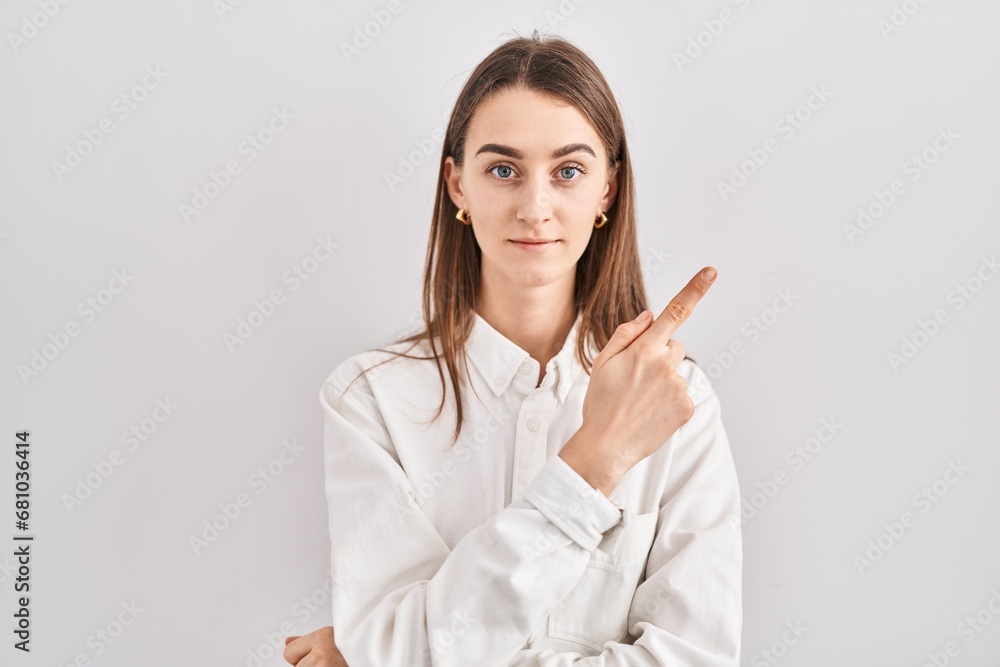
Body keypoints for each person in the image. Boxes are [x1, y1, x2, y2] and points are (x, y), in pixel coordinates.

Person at [284, 31, 742, 667]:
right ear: (457, 186)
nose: (535, 207)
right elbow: (401, 653)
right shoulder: (370, 401)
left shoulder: (678, 400)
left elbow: (695, 658)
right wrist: (595, 459)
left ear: (607, 189)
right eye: (503, 170)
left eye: (568, 171)